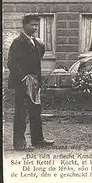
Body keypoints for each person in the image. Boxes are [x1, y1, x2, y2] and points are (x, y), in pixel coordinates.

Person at [7, 13, 55, 150]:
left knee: (35, 111)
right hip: (23, 83)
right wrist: (24, 79)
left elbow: (37, 59)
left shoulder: (37, 42)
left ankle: (38, 140)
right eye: (32, 25)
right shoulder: (18, 42)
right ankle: (19, 144)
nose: (35, 27)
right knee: (21, 113)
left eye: (36, 25)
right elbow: (12, 63)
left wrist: (36, 81)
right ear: (24, 25)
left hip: (35, 82)